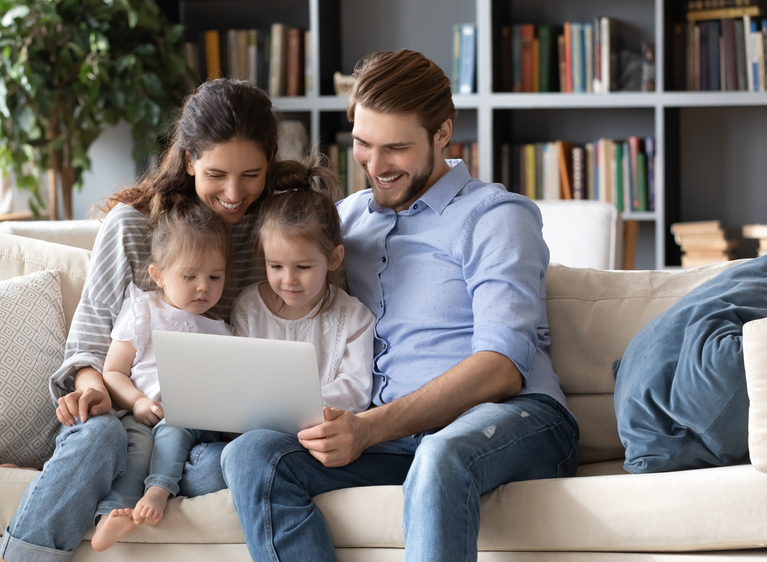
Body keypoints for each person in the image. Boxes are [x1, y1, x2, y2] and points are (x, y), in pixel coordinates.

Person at [221, 49, 580, 562]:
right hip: (395, 439)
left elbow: (503, 368)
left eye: (396, 148)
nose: (376, 165)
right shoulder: (345, 221)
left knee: (441, 452)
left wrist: (368, 428)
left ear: (442, 133)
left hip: (514, 419)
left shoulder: (494, 217)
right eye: (363, 145)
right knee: (252, 454)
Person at [0, 78, 279, 562]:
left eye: (251, 175)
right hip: (126, 412)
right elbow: (85, 347)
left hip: (202, 433)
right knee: (104, 437)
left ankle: (94, 483)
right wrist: (93, 387)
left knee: (232, 464)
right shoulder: (133, 227)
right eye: (216, 174)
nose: (235, 194)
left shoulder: (275, 234)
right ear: (189, 160)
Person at [89, 194, 233, 551]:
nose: (204, 286)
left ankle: (157, 492)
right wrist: (137, 403)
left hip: (191, 419)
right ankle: (113, 514)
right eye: (190, 276)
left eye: (215, 276)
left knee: (173, 433)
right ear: (159, 276)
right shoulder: (143, 310)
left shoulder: (221, 328)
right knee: (135, 450)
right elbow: (113, 372)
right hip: (141, 412)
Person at [230, 156, 374, 414]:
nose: (288, 280)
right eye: (275, 266)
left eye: (303, 267)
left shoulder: (354, 317)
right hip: (258, 427)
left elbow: (355, 392)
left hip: (321, 435)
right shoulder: (248, 309)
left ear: (334, 258)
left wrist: (288, 406)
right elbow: (239, 381)